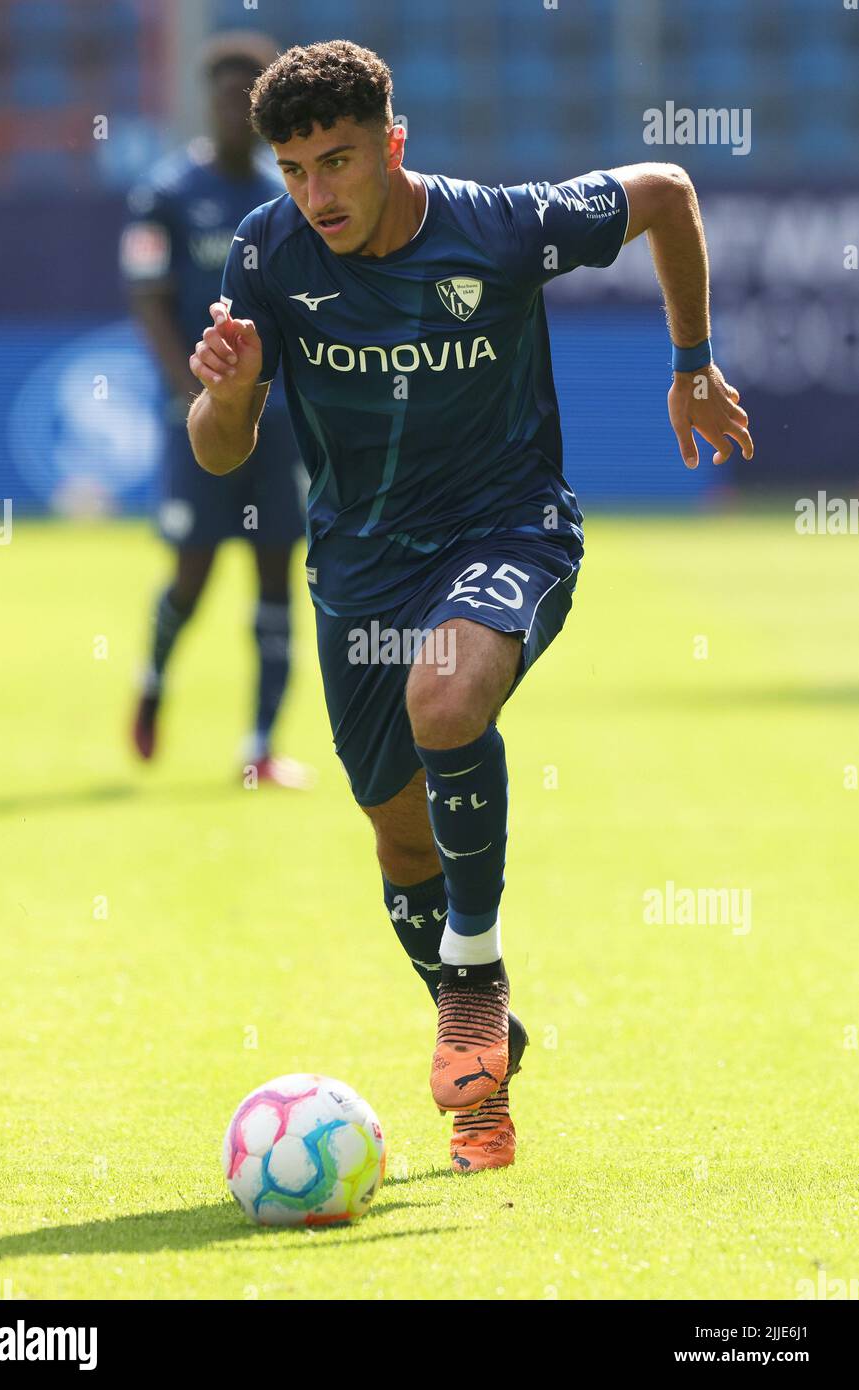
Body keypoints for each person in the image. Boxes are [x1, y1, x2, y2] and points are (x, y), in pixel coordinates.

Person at [186, 41, 754, 1172]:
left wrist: (692, 361)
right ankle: (485, 1064)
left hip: (508, 529)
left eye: (338, 161)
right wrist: (232, 393)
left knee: (445, 696)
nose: (317, 194)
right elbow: (217, 451)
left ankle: (475, 985)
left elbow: (668, 194)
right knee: (401, 838)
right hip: (358, 571)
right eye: (294, 169)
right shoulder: (265, 254)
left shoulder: (497, 227)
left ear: (393, 145)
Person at [121, 31, 309, 786]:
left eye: (249, 95)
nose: (236, 107)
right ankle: (154, 679)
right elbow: (147, 299)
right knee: (192, 575)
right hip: (200, 419)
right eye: (225, 94)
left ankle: (259, 748)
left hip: (278, 420)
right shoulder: (166, 193)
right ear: (210, 102)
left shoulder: (286, 193)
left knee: (276, 573)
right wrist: (191, 392)